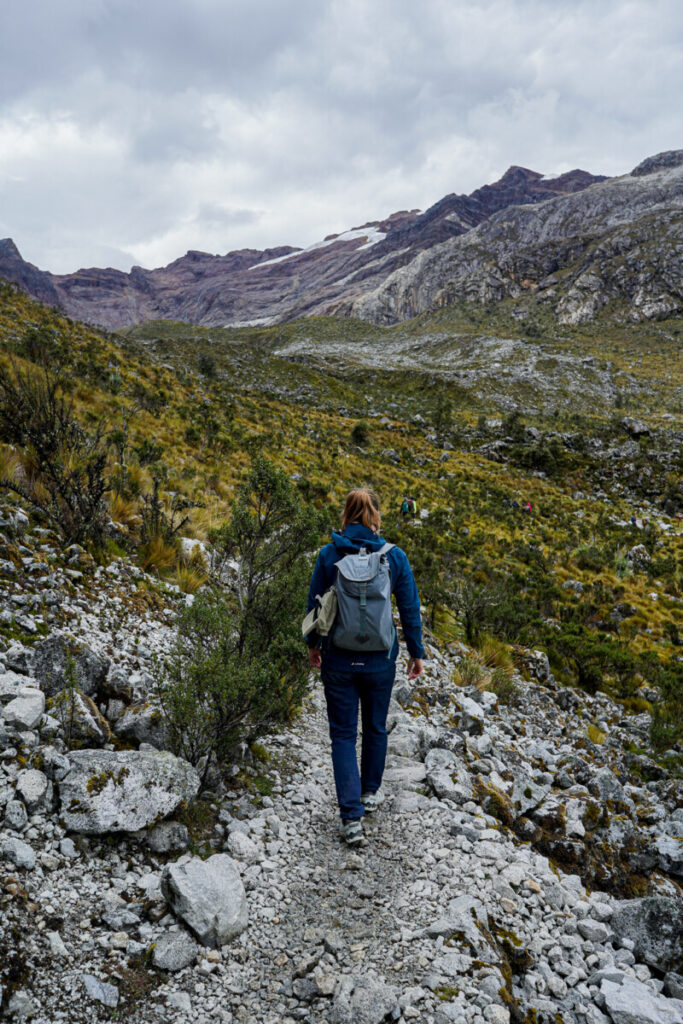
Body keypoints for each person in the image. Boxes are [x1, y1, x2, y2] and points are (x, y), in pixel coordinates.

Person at [306, 487, 424, 846]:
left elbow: (314, 603)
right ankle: (370, 793)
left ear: (346, 514)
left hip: (338, 657)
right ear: (375, 516)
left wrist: (313, 646)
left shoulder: (329, 554)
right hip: (380, 660)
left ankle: (351, 819)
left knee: (342, 734)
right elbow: (409, 607)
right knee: (375, 726)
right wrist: (416, 653)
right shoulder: (395, 557)